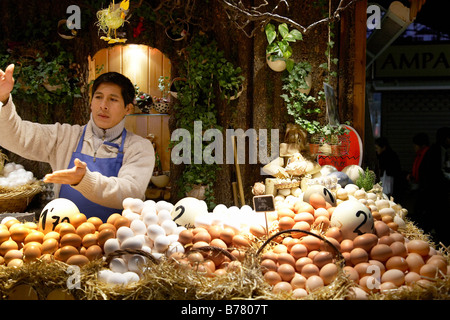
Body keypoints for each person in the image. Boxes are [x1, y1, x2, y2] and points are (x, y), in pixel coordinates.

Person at [0, 64, 155, 222]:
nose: (103, 105)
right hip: (66, 236)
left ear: (128, 108)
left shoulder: (139, 147)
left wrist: (84, 180)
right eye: (98, 97)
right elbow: (16, 136)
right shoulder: (65, 136)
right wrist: (3, 99)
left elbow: (129, 193)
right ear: (91, 102)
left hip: (119, 241)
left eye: (113, 99)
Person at [415, 127, 450, 245]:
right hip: (434, 193)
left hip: (432, 192)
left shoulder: (438, 150)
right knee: (434, 218)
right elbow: (435, 173)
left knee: (433, 219)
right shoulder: (436, 150)